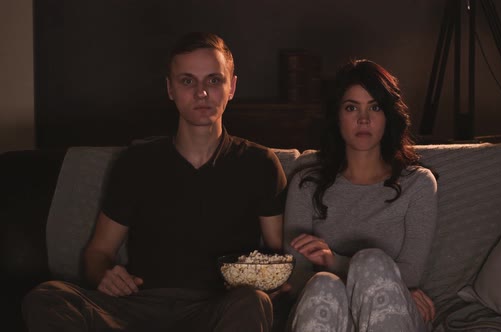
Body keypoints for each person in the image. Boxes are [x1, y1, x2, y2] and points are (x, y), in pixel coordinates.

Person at [22, 32, 287, 332]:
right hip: (137, 308)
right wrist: (104, 276)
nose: (201, 93)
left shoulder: (260, 163)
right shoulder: (136, 162)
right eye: (188, 81)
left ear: (232, 87)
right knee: (48, 297)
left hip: (217, 310)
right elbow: (98, 253)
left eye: (214, 80)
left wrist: (273, 284)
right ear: (170, 88)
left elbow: (276, 258)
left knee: (253, 301)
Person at [283, 59, 438, 332]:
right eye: (352, 107)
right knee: (322, 285)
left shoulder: (418, 184)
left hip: (393, 313)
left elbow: (411, 274)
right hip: (329, 314)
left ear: (388, 115)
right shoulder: (306, 186)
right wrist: (340, 280)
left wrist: (335, 261)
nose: (363, 119)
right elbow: (294, 278)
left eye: (375, 107)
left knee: (373, 262)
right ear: (337, 116)